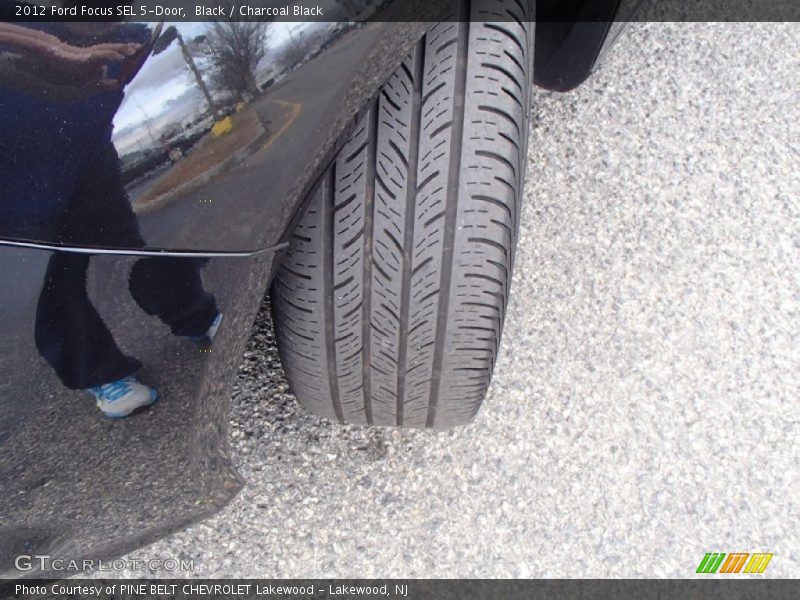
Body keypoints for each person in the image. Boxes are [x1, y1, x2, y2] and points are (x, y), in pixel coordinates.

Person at [0, 21, 222, 417]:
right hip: (10, 164)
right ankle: (100, 373)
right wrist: (63, 52)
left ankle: (194, 315)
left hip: (80, 134)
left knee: (129, 240)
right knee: (46, 275)